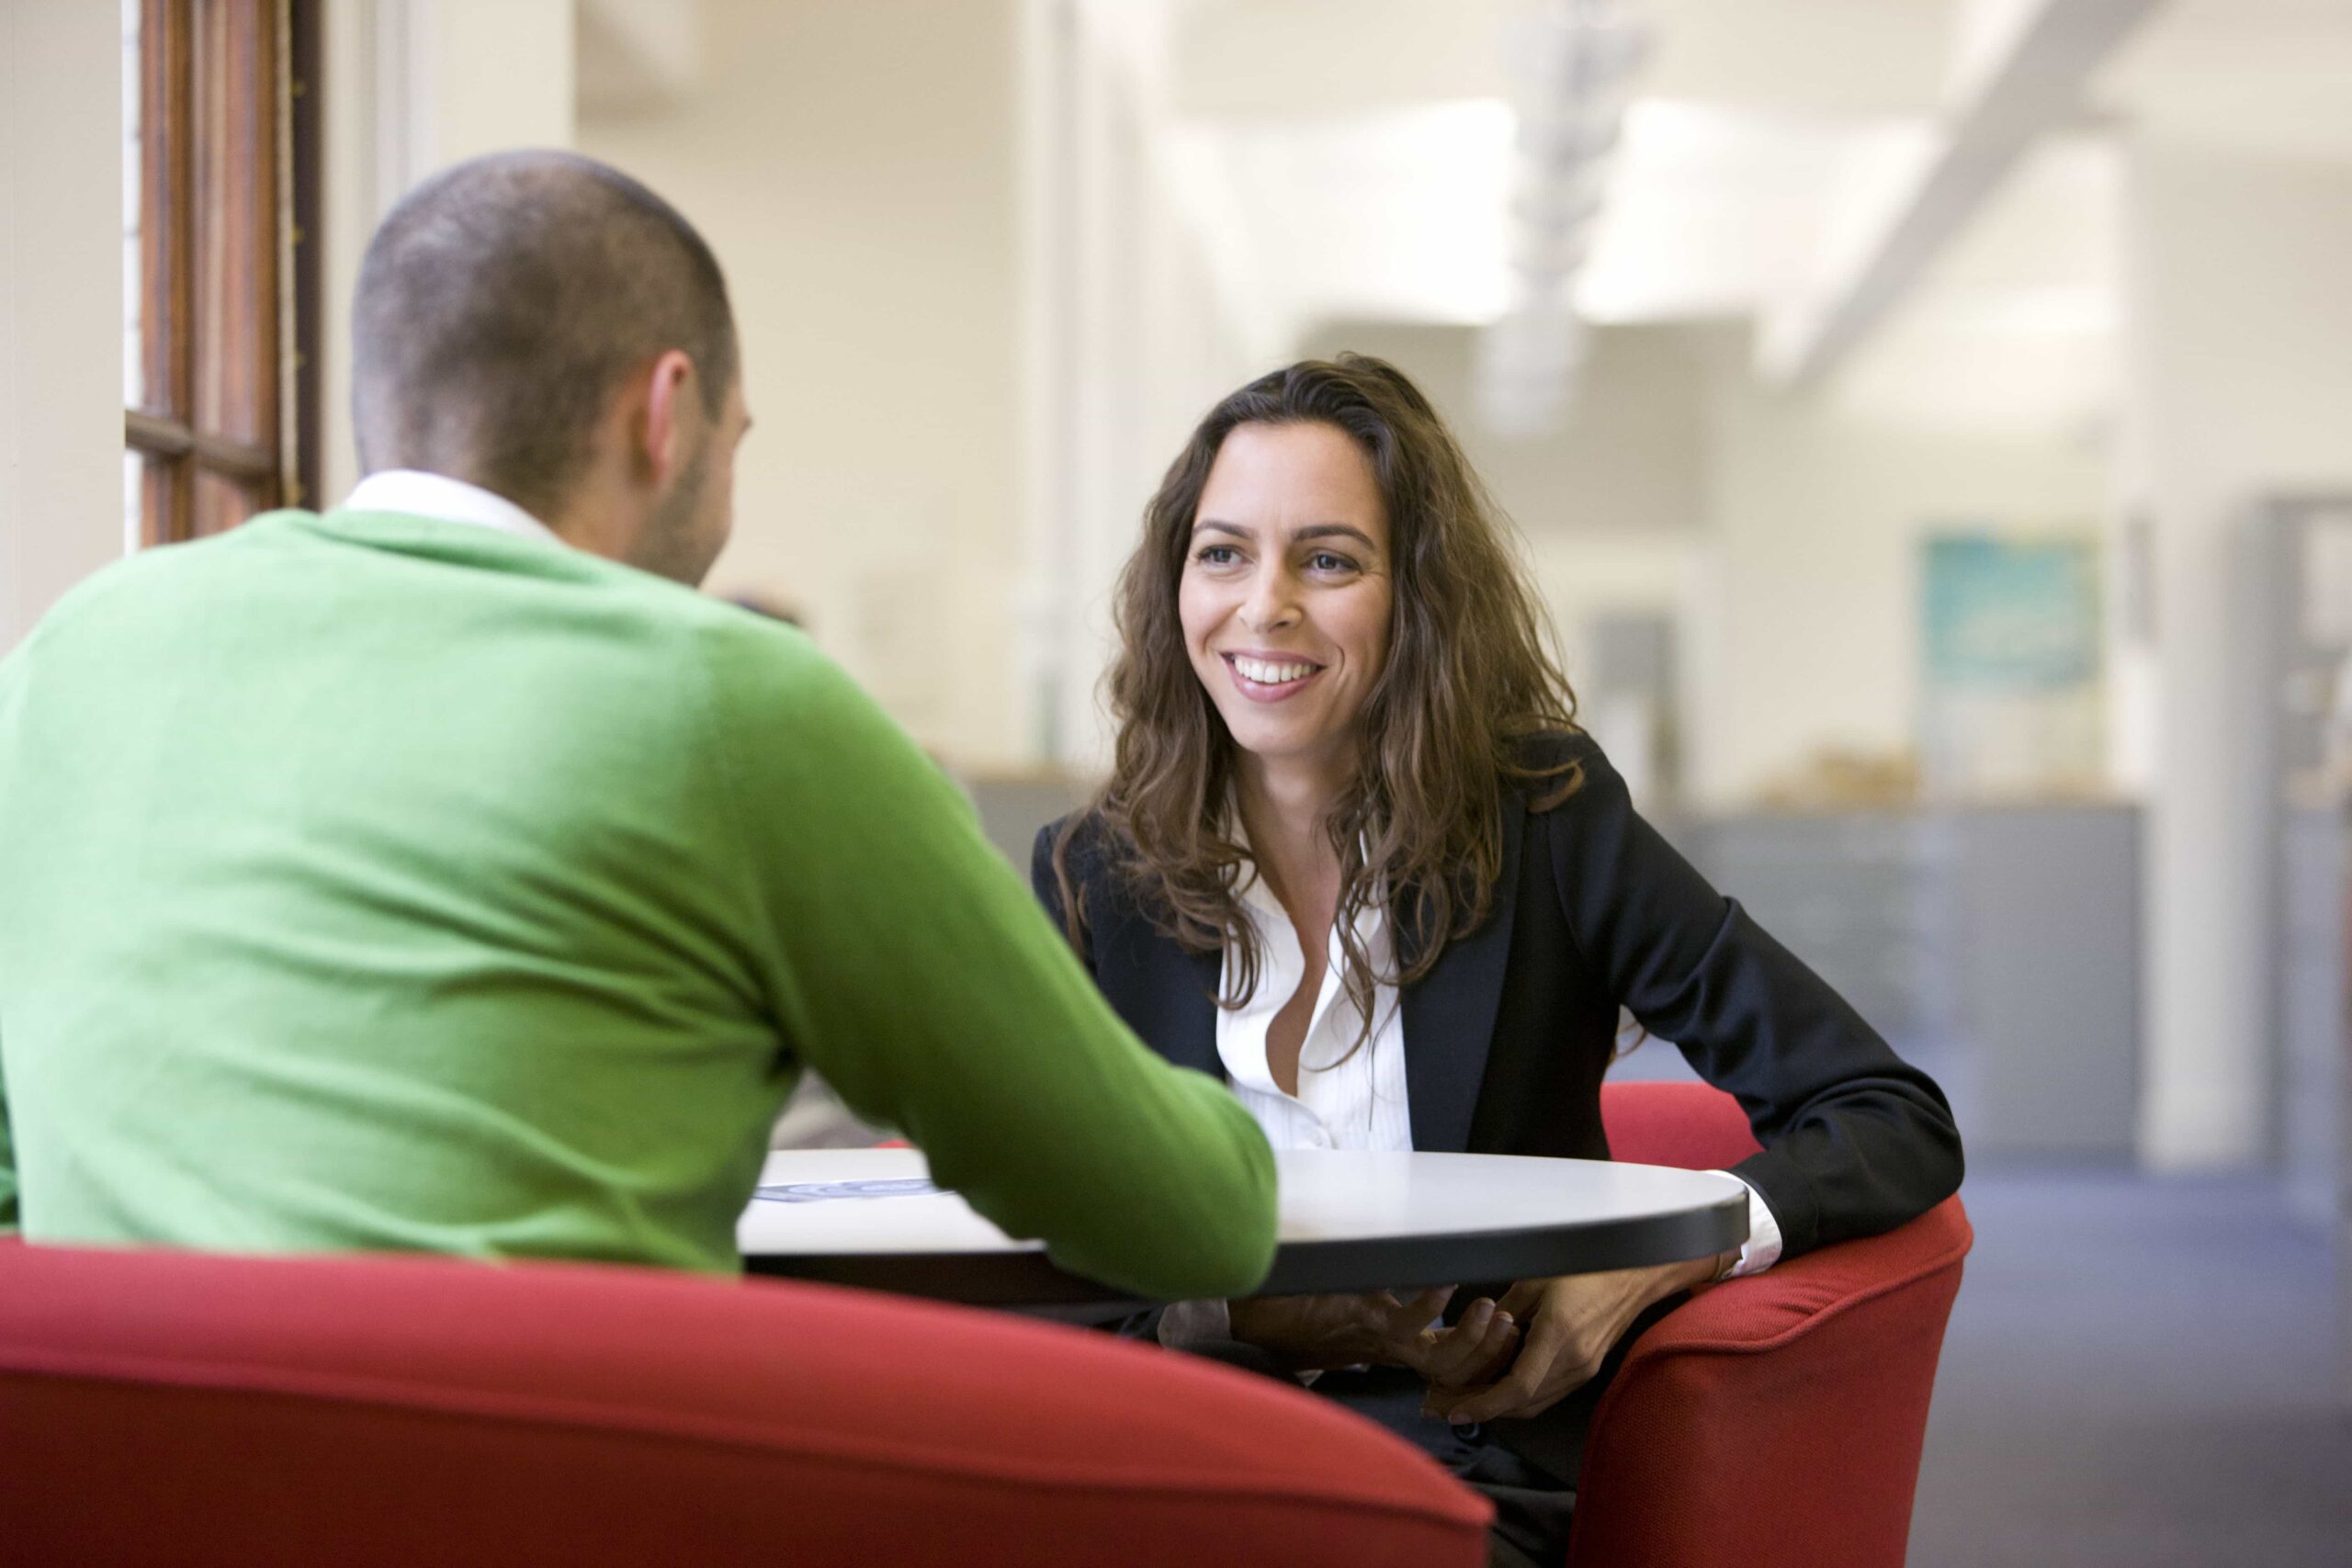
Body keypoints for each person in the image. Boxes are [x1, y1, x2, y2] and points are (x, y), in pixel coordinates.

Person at [0, 151, 1276, 1304]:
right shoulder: (737, 703)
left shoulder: (78, 647)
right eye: (737, 438)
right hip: (552, 1498)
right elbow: (1184, 1218)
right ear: (665, 414)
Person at [1033, 355, 1963, 1565]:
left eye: (1329, 559)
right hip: (1172, 1445)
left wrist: (1662, 1255)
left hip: (1465, 1448)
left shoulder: (1547, 823)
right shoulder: (1095, 873)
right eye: (1223, 553)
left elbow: (1888, 1114)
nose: (1265, 606)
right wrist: (1247, 1319)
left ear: (1415, 596)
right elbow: (1042, 1248)